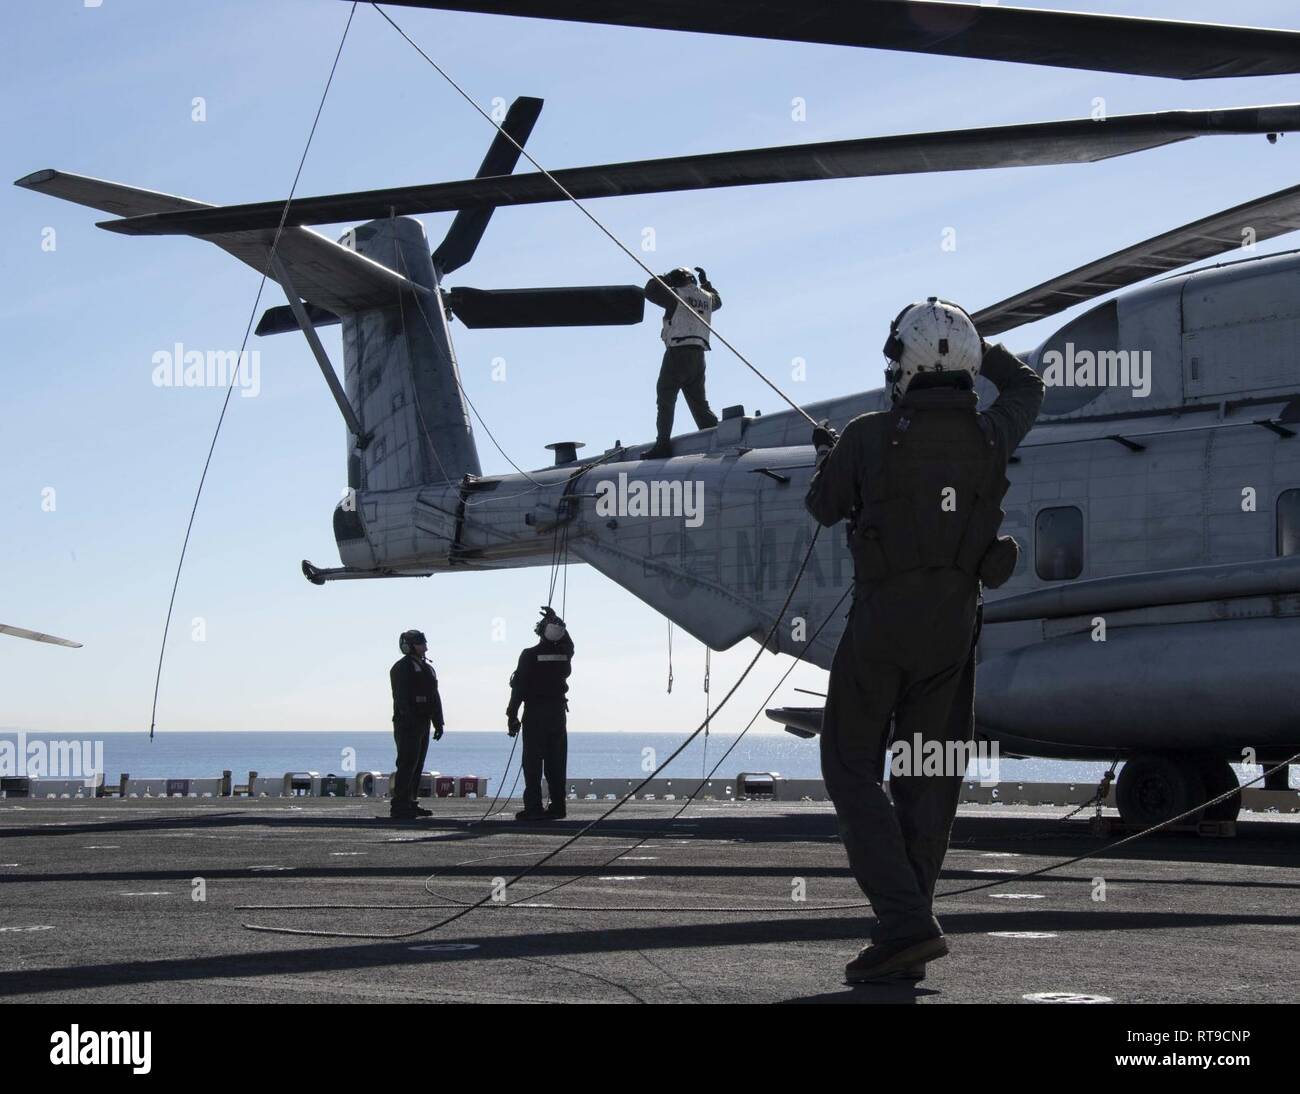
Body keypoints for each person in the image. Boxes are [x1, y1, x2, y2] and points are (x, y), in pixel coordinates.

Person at [805, 297, 1044, 984]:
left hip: (882, 625)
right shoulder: (995, 432)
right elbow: (1029, 384)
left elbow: (824, 507)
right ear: (967, 367)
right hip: (953, 628)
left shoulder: (867, 435)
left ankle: (905, 922)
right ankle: (905, 928)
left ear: (903, 365)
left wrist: (831, 457)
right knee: (928, 777)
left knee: (851, 766)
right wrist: (975, 342)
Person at [642, 266, 721, 459]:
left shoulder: (676, 294)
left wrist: (665, 278)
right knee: (700, 404)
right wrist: (706, 284)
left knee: (666, 399)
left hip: (677, 353)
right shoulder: (707, 297)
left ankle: (662, 445)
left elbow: (650, 290)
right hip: (699, 355)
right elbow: (718, 301)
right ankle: (718, 438)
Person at [506, 607, 574, 820]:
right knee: (556, 762)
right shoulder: (563, 654)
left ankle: (533, 807)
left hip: (535, 713)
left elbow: (519, 688)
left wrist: (511, 715)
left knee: (533, 763)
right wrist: (557, 621)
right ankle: (558, 806)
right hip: (557, 714)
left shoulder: (529, 655)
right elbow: (570, 644)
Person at [388, 629, 444, 820]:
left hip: (423, 721)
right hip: (408, 723)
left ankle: (410, 802)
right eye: (421, 643)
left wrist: (438, 722)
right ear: (408, 646)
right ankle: (399, 804)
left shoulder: (427, 668)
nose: (425, 647)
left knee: (417, 764)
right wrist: (408, 717)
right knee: (407, 762)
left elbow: (434, 696)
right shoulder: (401, 668)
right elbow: (400, 697)